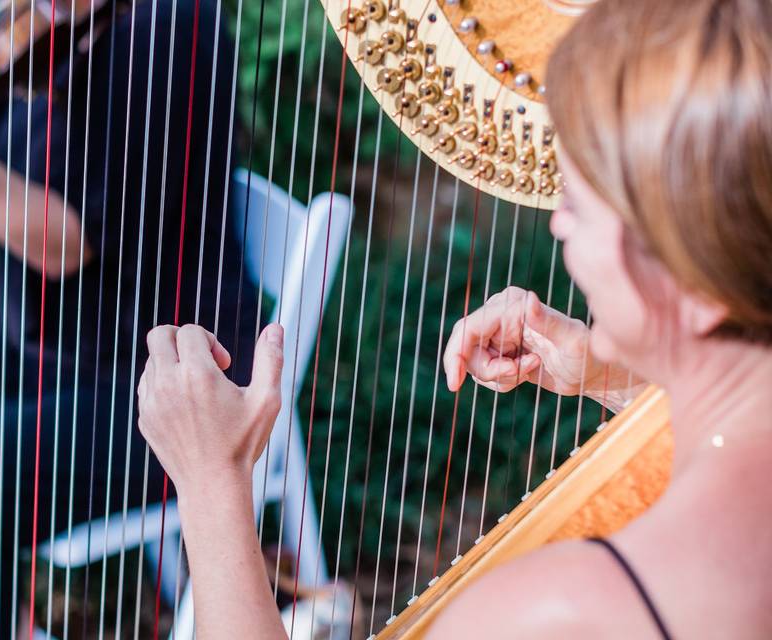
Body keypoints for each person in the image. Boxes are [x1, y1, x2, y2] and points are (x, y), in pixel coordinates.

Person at [135, 0, 772, 637]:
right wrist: (617, 379)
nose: (557, 224)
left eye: (579, 202)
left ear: (694, 277)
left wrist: (212, 484)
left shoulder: (564, 611)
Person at [0, 1, 259, 637]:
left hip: (155, 385)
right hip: (40, 352)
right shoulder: (52, 33)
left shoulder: (169, 26)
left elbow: (61, 245)